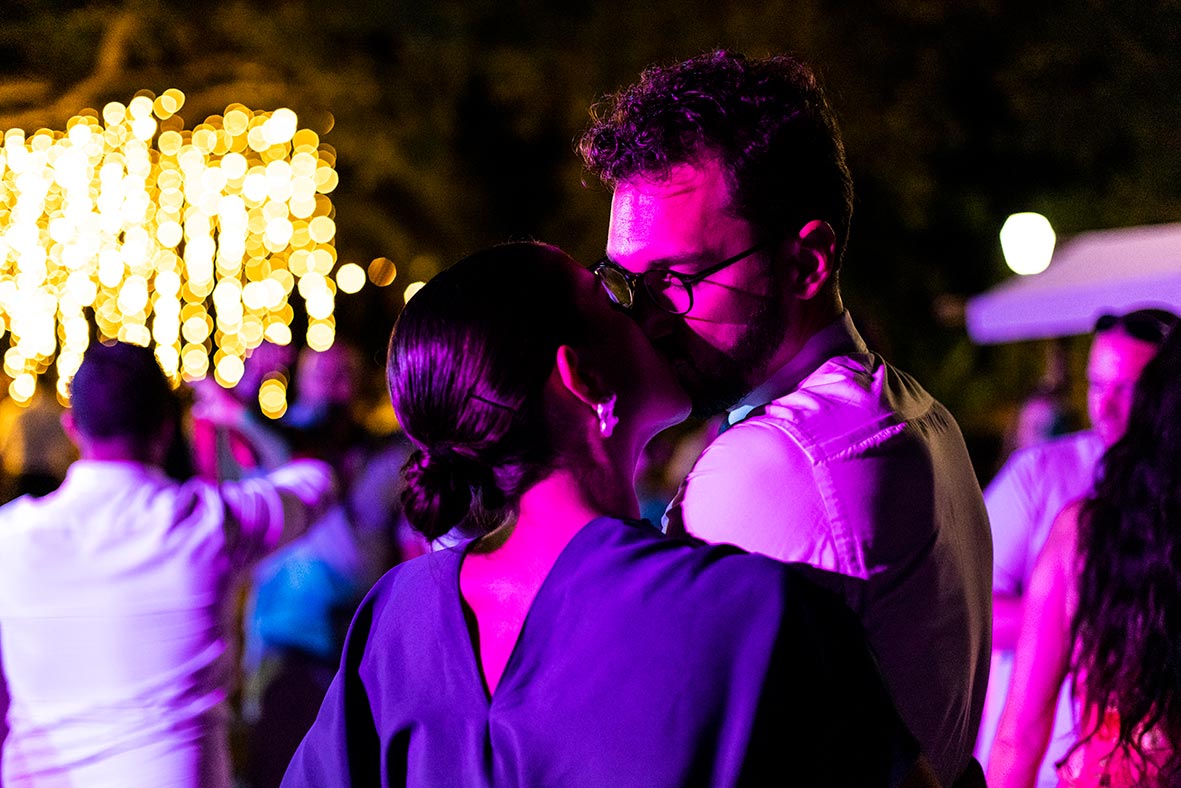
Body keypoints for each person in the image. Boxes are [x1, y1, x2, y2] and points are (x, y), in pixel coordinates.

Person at [282, 242, 931, 788]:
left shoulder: (397, 615)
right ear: (584, 378)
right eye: (613, 298)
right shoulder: (750, 611)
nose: (649, 311)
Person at [579, 50, 991, 786]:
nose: (640, 318)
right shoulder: (914, 412)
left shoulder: (773, 464)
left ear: (806, 264)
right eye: (622, 281)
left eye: (672, 280)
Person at [0, 341, 334, 788]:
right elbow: (317, 480)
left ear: (72, 428)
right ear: (164, 428)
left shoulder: (10, 537)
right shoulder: (209, 525)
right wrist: (240, 417)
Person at [976, 308, 1178, 785]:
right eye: (1095, 385)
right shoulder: (1041, 474)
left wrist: (1079, 615)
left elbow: (1017, 738)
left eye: (1127, 389)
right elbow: (968, 603)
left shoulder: (1084, 529)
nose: (1105, 406)